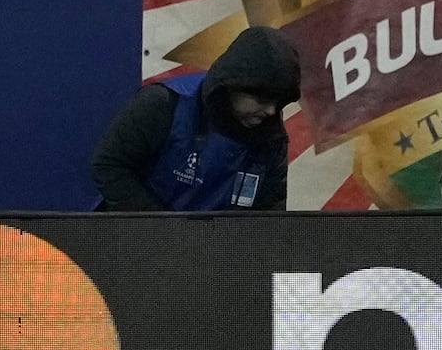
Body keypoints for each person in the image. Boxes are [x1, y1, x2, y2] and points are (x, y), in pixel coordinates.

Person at [90, 25, 301, 211]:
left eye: (278, 102)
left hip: (216, 250)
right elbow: (109, 165)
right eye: (262, 99)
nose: (271, 111)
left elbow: (269, 216)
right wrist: (163, 232)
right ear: (232, 86)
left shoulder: (271, 138)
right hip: (139, 241)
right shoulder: (164, 103)